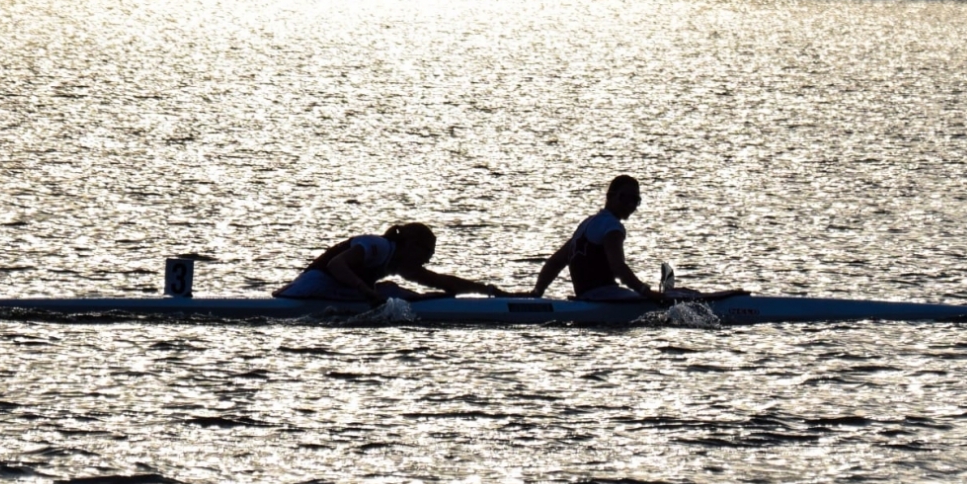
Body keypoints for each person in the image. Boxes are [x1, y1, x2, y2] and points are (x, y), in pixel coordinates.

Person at [529, 175, 744, 303]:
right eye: (625, 198)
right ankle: (726, 300)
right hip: (603, 297)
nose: (630, 205)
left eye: (636, 200)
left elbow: (557, 262)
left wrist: (537, 293)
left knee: (673, 294)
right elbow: (618, 268)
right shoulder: (612, 227)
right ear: (610, 196)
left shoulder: (588, 223)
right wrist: (646, 292)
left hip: (589, 296)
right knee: (680, 296)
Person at [275, 223, 507, 305]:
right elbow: (336, 265)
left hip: (326, 290)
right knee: (393, 292)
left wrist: (488, 291)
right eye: (427, 252)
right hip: (314, 285)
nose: (428, 259)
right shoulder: (379, 246)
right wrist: (365, 290)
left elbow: (442, 281)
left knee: (397, 292)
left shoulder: (401, 262)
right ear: (411, 245)